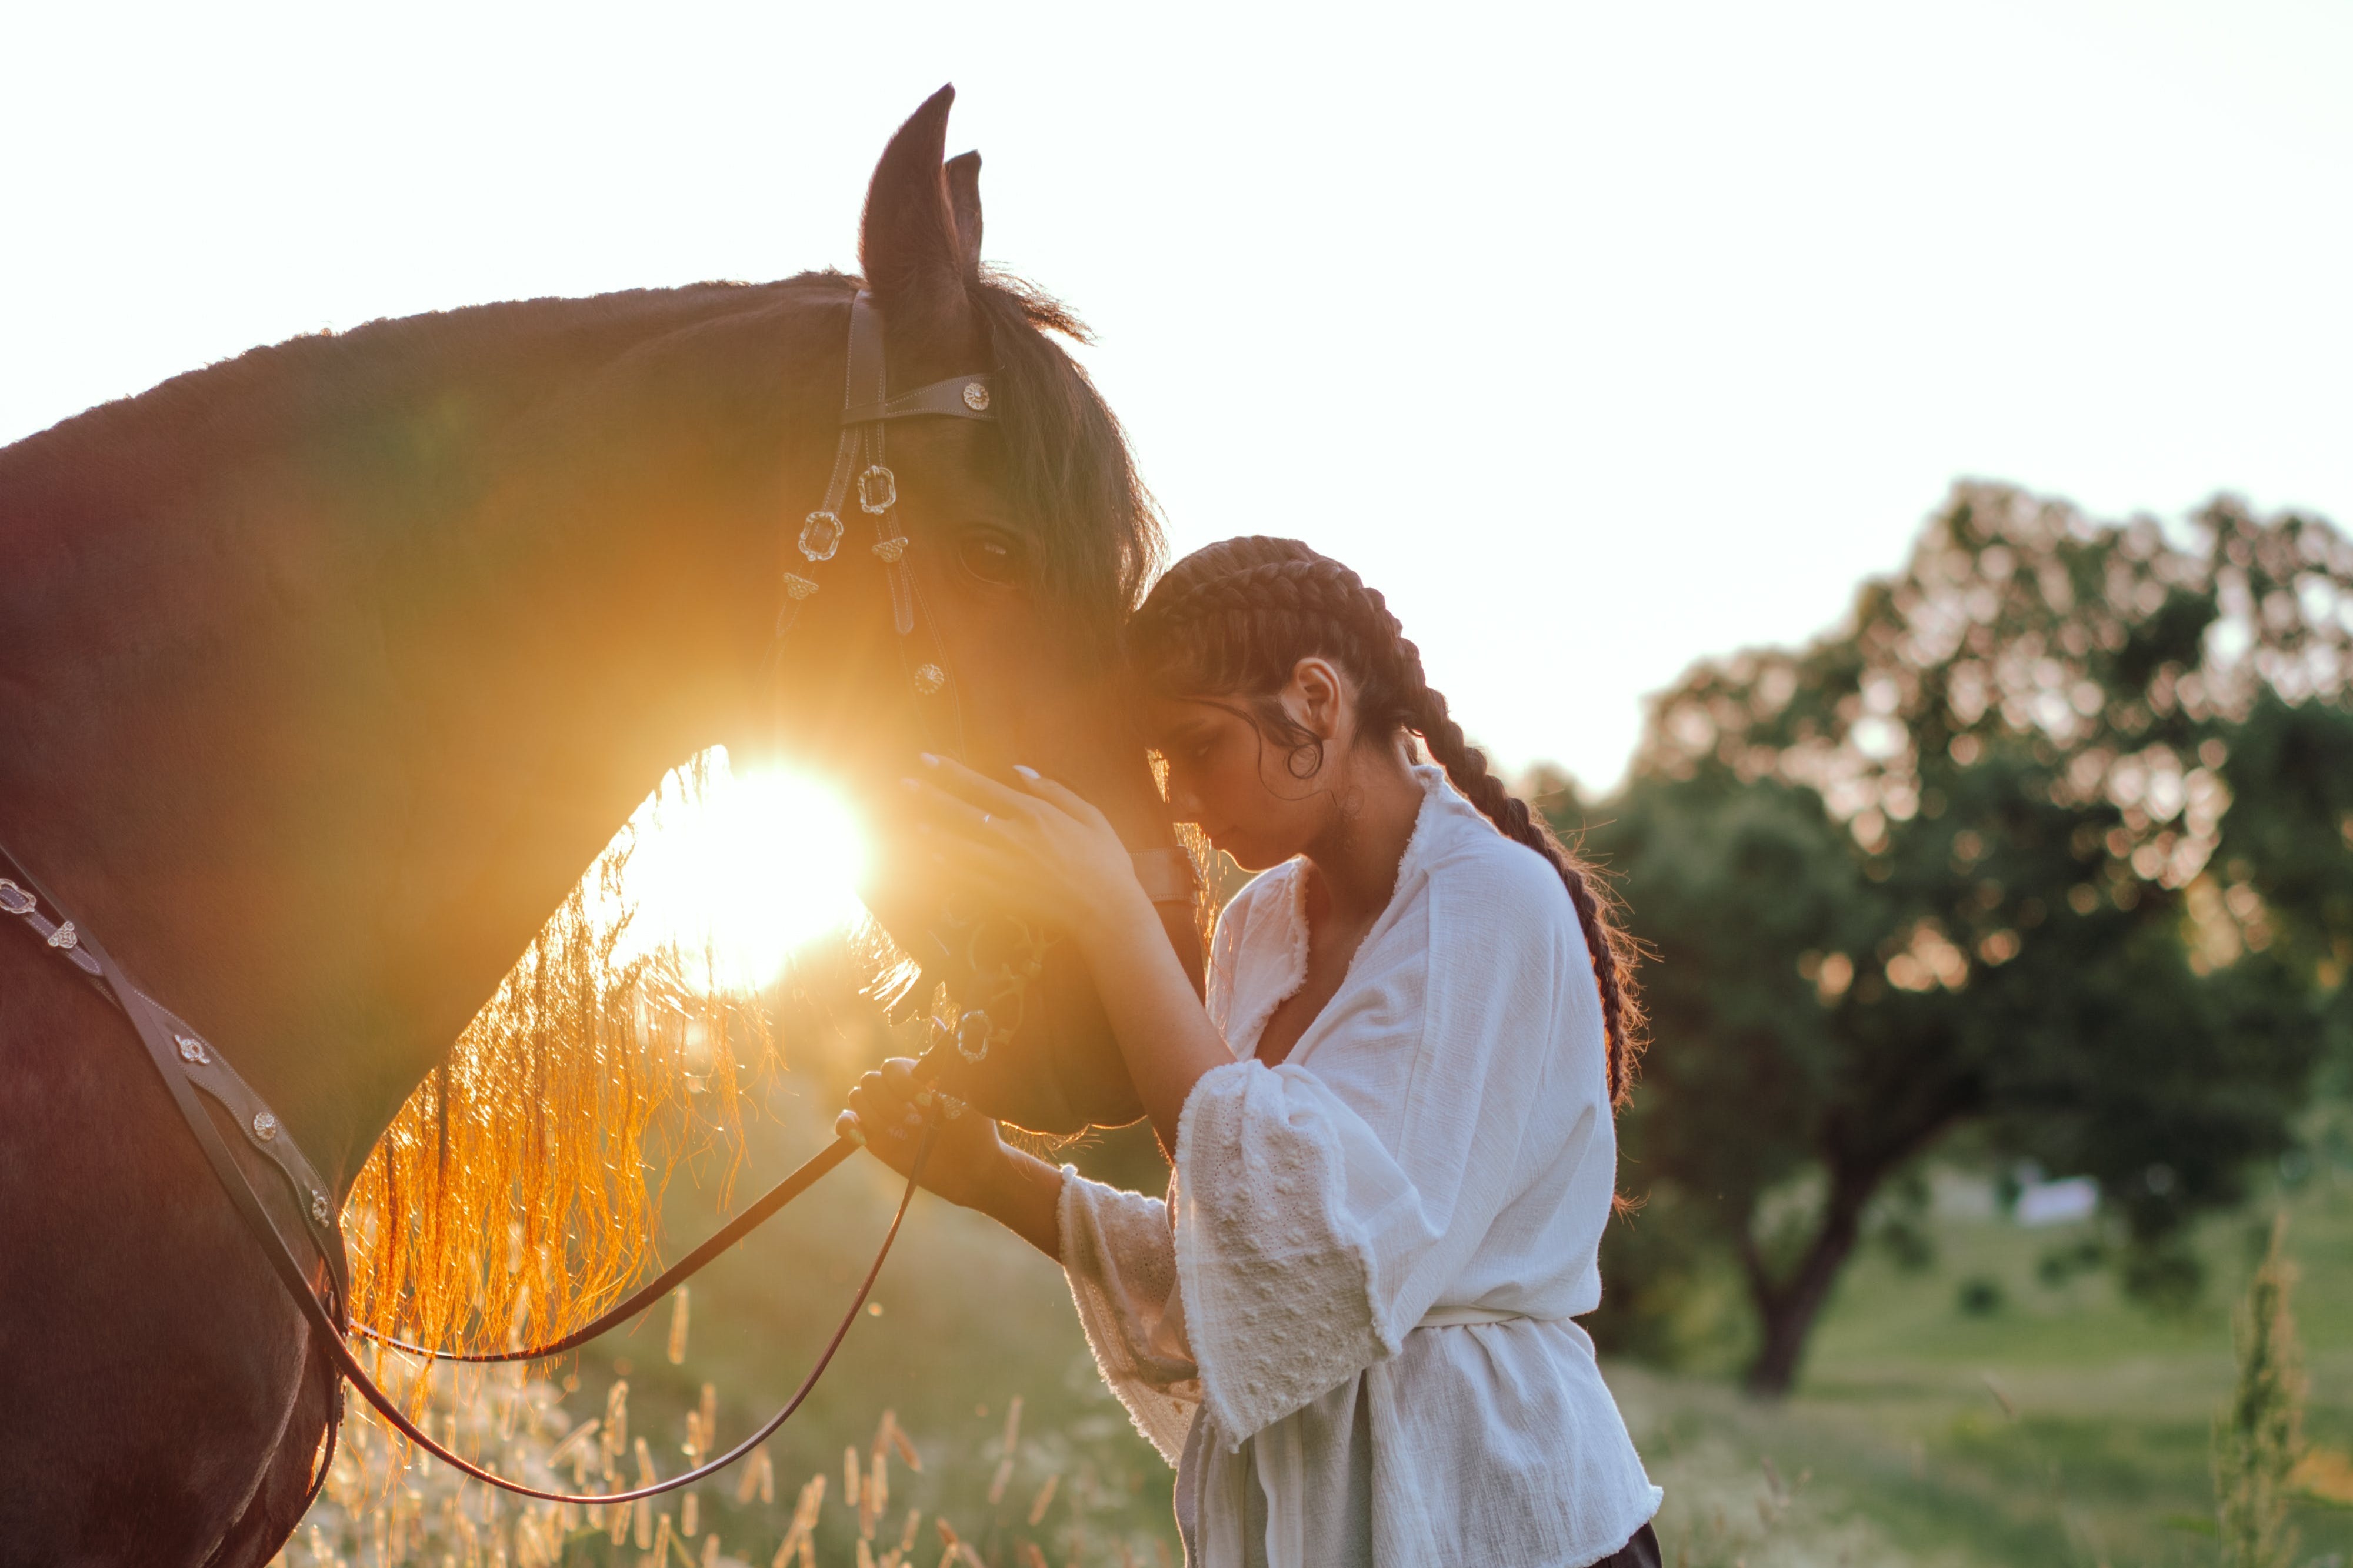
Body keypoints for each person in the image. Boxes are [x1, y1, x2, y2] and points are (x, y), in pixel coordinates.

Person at [842, 538, 1662, 1567]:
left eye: (1196, 746)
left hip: (1498, 1519)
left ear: (1315, 700)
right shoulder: (1260, 926)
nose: (1180, 796)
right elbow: (1243, 1255)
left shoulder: (1490, 905)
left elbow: (1323, 1251)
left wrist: (1113, 914)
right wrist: (992, 1177)